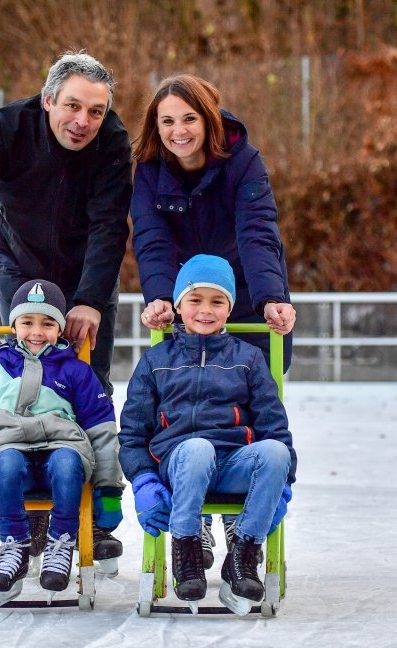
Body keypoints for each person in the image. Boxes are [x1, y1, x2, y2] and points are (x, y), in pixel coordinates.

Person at [130, 73, 298, 566]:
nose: (178, 131)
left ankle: (240, 507)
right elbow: (152, 239)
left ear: (207, 119)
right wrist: (162, 296)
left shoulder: (242, 162)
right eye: (167, 121)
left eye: (188, 119)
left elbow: (257, 231)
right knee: (184, 397)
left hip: (244, 293)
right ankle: (195, 517)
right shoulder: (148, 170)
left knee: (241, 395)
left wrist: (270, 298)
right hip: (189, 296)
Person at [0, 50, 131, 397]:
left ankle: (88, 449)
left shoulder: (113, 142)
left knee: (90, 381)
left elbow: (110, 226)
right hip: (18, 262)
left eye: (95, 112)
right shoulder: (4, 130)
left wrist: (90, 301)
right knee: (27, 376)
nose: (82, 122)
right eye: (72, 106)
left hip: (85, 268)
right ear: (48, 100)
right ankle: (20, 447)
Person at [118, 255, 297, 615]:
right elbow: (134, 431)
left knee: (276, 453)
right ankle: (187, 552)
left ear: (229, 308)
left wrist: (283, 484)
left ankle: (242, 558)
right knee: (197, 448)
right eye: (195, 300)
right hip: (179, 463)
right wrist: (143, 481)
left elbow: (273, 423)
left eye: (217, 301)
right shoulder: (157, 359)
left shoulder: (247, 359)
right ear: (179, 305)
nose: (206, 310)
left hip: (233, 462)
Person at [0, 279, 125, 606]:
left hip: (63, 451)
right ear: (13, 325)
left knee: (68, 463)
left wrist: (109, 489)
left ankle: (61, 541)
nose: (36, 331)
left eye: (47, 323)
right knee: (8, 462)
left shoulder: (76, 371)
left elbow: (101, 427)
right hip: (10, 453)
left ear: (60, 329)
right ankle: (14, 544)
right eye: (27, 322)